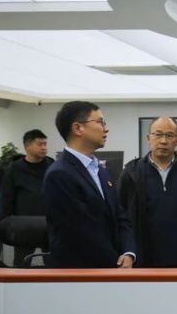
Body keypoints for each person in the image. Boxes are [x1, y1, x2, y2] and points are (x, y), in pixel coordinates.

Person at [43, 101, 136, 268]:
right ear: (78, 128)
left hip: (112, 269)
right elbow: (81, 231)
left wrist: (129, 253)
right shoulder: (59, 175)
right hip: (81, 272)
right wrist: (116, 263)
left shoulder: (102, 172)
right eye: (100, 122)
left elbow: (120, 217)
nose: (106, 129)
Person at [117, 117, 177, 267]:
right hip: (142, 261)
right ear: (148, 138)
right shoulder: (131, 173)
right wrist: (125, 252)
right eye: (158, 134)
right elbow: (120, 217)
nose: (163, 141)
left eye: (169, 135)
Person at [0, 129, 54, 265]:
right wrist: (6, 223)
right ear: (27, 146)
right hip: (24, 226)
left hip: (49, 224)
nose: (44, 148)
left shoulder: (52, 166)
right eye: (40, 144)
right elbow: (7, 198)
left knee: (53, 264)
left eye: (45, 144)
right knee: (21, 263)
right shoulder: (14, 169)